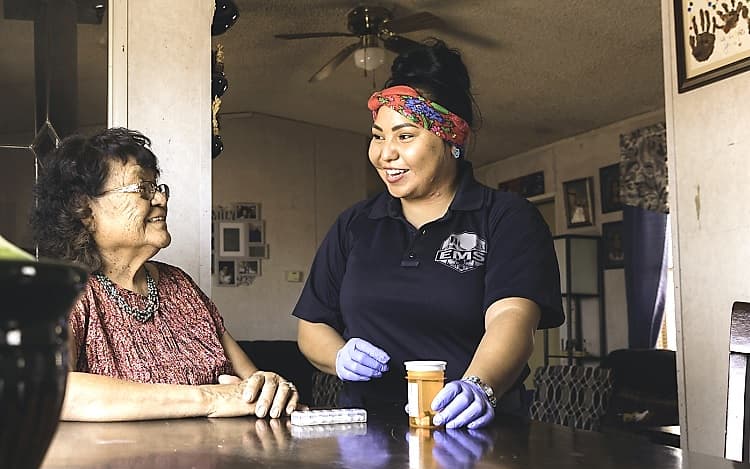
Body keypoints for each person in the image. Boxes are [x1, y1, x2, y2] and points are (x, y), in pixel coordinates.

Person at [293, 39, 564, 429]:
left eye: (404, 137)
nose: (384, 154)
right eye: (377, 135)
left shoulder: (506, 217)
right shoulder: (354, 225)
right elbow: (312, 325)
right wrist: (337, 356)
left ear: (451, 139)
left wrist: (478, 385)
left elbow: (513, 318)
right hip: (366, 438)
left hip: (470, 433)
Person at [31, 127, 300, 421]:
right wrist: (208, 398)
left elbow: (251, 382)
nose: (160, 198)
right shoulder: (63, 292)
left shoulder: (181, 285)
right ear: (84, 211)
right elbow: (50, 390)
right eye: (142, 188)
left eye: (157, 187)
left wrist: (273, 388)